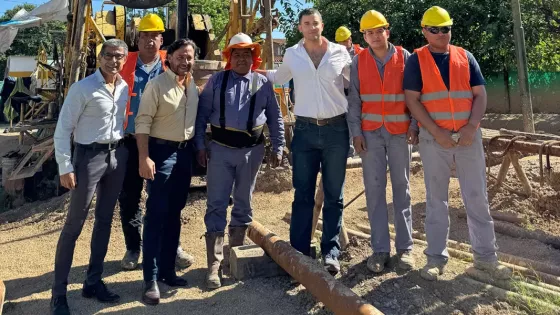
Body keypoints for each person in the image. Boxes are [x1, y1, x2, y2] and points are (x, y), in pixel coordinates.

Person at [403, 6, 512, 281]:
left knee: (477, 197)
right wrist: (435, 132)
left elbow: (480, 94)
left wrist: (472, 127)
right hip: (433, 139)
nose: (442, 34)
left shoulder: (465, 57)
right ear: (425, 30)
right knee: (436, 200)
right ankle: (435, 259)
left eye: (446, 28)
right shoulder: (416, 61)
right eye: (435, 29)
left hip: (468, 137)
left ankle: (486, 259)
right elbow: (412, 100)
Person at [260, 8, 352, 275]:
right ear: (300, 28)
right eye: (306, 24)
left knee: (335, 195)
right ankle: (299, 253)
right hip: (305, 131)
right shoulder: (292, 54)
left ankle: (331, 253)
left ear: (322, 25)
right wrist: (249, 71)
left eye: (315, 23)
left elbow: (354, 85)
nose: (312, 27)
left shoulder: (339, 53)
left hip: (336, 129)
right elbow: (277, 79)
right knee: (302, 195)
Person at [195, 33, 285, 289]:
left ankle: (233, 258)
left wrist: (278, 146)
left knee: (243, 204)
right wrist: (200, 146)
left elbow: (275, 117)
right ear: (229, 57)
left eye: (247, 54)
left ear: (254, 58)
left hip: (251, 152)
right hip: (221, 150)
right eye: (237, 53)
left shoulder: (262, 83)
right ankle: (214, 265)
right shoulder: (216, 81)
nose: (242, 58)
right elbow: (201, 117)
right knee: (216, 204)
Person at [50, 39, 129, 315]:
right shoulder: (82, 88)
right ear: (100, 57)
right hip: (87, 159)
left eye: (119, 56)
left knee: (105, 221)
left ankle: (93, 281)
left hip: (116, 157)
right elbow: (62, 130)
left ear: (125, 59)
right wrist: (65, 166)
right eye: (108, 55)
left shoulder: (123, 87)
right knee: (74, 225)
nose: (113, 61)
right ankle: (58, 295)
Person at [118, 13, 194, 271]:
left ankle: (172, 247)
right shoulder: (123, 63)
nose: (150, 41)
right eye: (145, 35)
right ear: (137, 39)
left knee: (165, 198)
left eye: (155, 36)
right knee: (129, 197)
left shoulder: (171, 63)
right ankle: (133, 247)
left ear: (162, 40)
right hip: (129, 141)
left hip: (162, 143)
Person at [347, 10, 417, 274]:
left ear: (387, 31)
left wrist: (414, 125)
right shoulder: (358, 61)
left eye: (379, 31)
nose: (374, 36)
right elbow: (354, 100)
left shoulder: (405, 57)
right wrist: (356, 133)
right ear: (363, 36)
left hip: (400, 132)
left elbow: (414, 95)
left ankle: (406, 249)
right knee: (374, 191)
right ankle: (380, 250)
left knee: (402, 188)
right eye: (369, 32)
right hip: (370, 134)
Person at [135, 39, 199, 305]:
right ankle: (149, 279)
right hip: (161, 154)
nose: (185, 61)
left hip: (185, 154)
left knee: (174, 213)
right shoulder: (157, 85)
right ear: (169, 58)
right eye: (181, 56)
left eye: (190, 57)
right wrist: (144, 157)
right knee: (156, 215)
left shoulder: (191, 84)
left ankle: (167, 271)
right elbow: (142, 121)